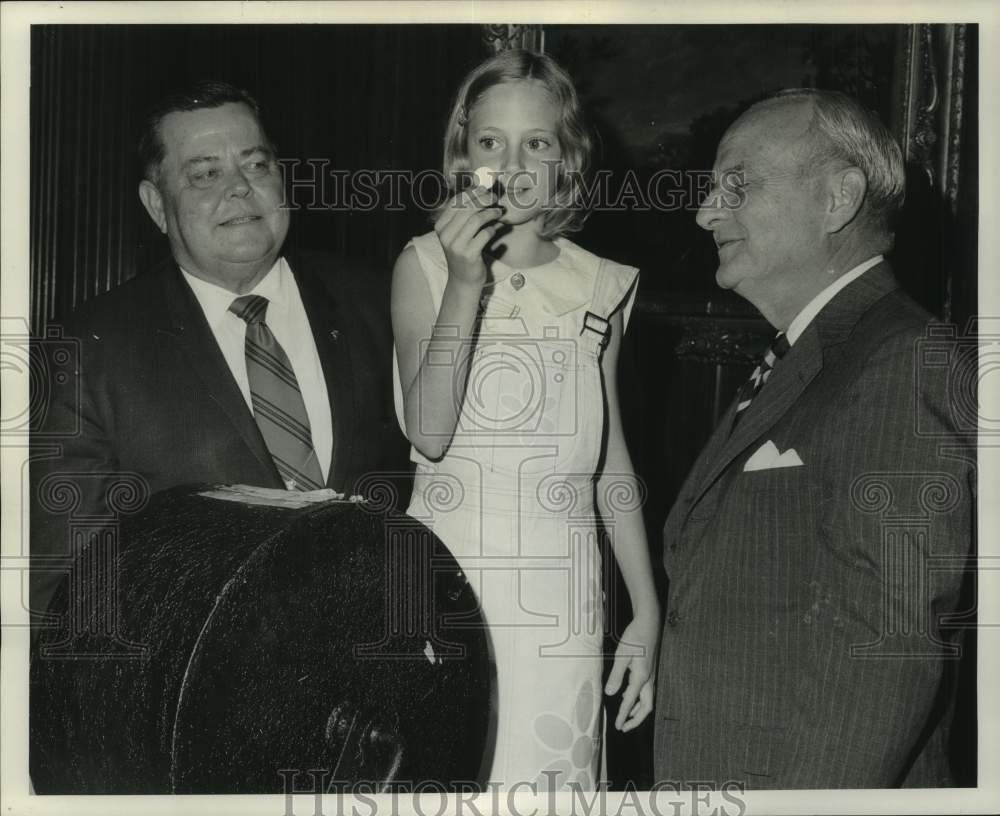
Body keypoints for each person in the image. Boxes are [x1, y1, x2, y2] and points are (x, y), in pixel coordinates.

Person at [653, 89, 975, 788]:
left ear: (839, 198)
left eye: (735, 184)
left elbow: (881, 648)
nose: (705, 212)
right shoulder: (802, 359)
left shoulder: (903, 359)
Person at [30, 81, 403, 620]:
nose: (240, 190)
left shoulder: (379, 304)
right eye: (205, 174)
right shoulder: (86, 353)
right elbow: (62, 594)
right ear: (157, 205)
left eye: (256, 165)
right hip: (188, 692)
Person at [391, 49, 660, 789]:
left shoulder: (602, 285)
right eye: (489, 143)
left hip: (565, 599)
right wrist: (465, 282)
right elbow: (429, 431)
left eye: (537, 143)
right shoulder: (423, 266)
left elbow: (611, 463)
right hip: (454, 575)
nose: (511, 165)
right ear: (461, 154)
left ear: (568, 158)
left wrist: (646, 610)